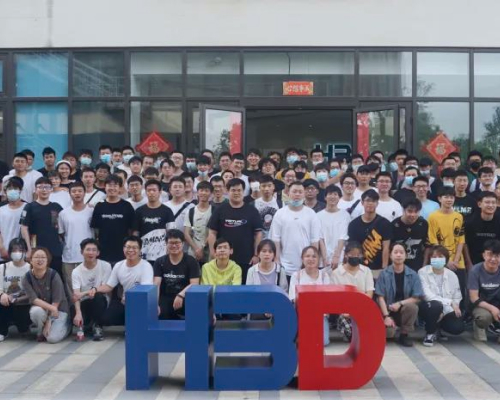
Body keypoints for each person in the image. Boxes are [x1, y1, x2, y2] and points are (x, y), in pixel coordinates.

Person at [208, 178, 263, 282]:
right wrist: (212, 252)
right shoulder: (219, 210)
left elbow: (258, 234)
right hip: (224, 258)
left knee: (244, 288)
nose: (236, 193)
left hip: (247, 259)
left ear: (244, 192)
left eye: (239, 190)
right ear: (227, 191)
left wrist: (256, 255)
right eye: (233, 190)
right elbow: (212, 232)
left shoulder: (252, 210)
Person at [96, 237, 154, 327]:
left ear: (140, 250)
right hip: (124, 303)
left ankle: (133, 324)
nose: (131, 250)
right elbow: (109, 286)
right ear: (123, 249)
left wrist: (131, 298)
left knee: (134, 325)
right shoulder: (118, 265)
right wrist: (94, 289)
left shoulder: (146, 266)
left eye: (134, 247)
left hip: (139, 304)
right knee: (106, 319)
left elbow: (145, 290)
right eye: (128, 247)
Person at [269, 181, 321, 281]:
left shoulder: (311, 214)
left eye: (300, 192)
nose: (297, 194)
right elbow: (276, 239)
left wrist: (313, 261)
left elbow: (314, 240)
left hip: (306, 265)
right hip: (284, 265)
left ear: (304, 194)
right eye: (294, 191)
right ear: (288, 193)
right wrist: (277, 259)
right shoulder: (280, 213)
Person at [375, 243, 423, 347]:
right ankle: (390, 326)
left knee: (412, 307)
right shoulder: (384, 274)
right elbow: (380, 297)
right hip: (387, 310)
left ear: (406, 255)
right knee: (389, 334)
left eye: (401, 252)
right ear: (390, 255)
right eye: (395, 252)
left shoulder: (413, 274)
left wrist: (400, 303)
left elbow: (417, 297)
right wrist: (386, 316)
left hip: (403, 311)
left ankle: (404, 334)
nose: (398, 255)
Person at [22, 247, 71, 343]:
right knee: (35, 311)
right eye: (37, 257)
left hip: (59, 310)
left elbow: (57, 301)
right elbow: (34, 300)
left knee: (52, 339)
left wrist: (49, 320)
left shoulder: (54, 275)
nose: (40, 260)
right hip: (44, 309)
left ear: (47, 261)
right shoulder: (26, 278)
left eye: (43, 257)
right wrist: (51, 309)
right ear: (31, 260)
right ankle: (40, 331)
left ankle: (67, 326)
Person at [418, 245, 464, 347]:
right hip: (428, 307)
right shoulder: (422, 272)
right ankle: (430, 334)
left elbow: (457, 297)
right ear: (430, 258)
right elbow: (427, 296)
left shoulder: (452, 275)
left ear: (446, 259)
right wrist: (449, 302)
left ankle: (438, 329)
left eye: (440, 257)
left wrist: (444, 311)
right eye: (434, 257)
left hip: (446, 310)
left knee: (458, 327)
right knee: (435, 306)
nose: (437, 259)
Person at [428, 187, 466, 303]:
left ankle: (461, 312)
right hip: (440, 261)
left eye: (451, 197)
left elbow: (461, 239)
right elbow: (434, 241)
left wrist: (456, 259)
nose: (449, 200)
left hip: (458, 261)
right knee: (442, 291)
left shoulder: (459, 216)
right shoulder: (433, 217)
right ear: (440, 198)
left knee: (460, 290)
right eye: (446, 197)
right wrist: (447, 261)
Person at [331, 241, 375, 341]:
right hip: (344, 312)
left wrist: (359, 310)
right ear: (346, 255)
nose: (355, 257)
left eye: (358, 255)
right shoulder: (336, 273)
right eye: (352, 254)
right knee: (353, 334)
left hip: (363, 308)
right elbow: (335, 298)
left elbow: (369, 293)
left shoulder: (366, 271)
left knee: (368, 333)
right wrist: (344, 312)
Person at [20, 177, 63, 276]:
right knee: (37, 277)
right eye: (40, 187)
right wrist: (29, 249)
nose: (44, 190)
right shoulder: (29, 207)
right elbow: (24, 228)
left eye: (47, 187)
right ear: (35, 190)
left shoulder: (56, 207)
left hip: (55, 250)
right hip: (36, 249)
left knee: (55, 277)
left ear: (51, 189)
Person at [289, 246, 331, 346]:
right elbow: (293, 298)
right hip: (301, 315)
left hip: (320, 315)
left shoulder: (324, 276)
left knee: (323, 342)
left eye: (314, 256)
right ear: (302, 259)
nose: (311, 259)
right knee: (302, 341)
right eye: (307, 256)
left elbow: (328, 298)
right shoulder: (296, 276)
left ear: (318, 259)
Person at [153, 229, 200, 320]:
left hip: (185, 296)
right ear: (166, 244)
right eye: (171, 243)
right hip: (166, 296)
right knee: (160, 313)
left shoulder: (191, 261)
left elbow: (195, 283)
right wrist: (155, 304)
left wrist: (181, 295)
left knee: (195, 311)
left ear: (183, 243)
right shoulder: (159, 262)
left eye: (177, 242)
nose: (174, 246)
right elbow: (156, 285)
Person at [71, 239, 112, 341]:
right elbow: (76, 295)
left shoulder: (105, 266)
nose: (91, 253)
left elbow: (106, 288)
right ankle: (88, 325)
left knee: (98, 297)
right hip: (85, 301)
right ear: (82, 252)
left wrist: (91, 290)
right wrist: (78, 313)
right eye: (88, 250)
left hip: (101, 301)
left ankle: (98, 326)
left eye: (94, 250)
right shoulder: (76, 271)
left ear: (98, 253)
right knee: (73, 311)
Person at [90, 175, 135, 265]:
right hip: (103, 252)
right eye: (109, 185)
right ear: (105, 187)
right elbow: (96, 230)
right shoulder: (99, 206)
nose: (112, 188)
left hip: (123, 252)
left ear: (120, 188)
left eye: (115, 185)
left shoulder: (127, 206)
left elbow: (131, 229)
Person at [347, 190, 392, 278]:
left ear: (377, 203)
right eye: (368, 200)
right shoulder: (353, 224)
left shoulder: (385, 223)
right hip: (360, 268)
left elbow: (386, 248)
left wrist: (384, 269)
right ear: (362, 202)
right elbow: (352, 248)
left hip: (378, 268)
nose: (370, 203)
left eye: (373, 201)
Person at [58, 181, 94, 289]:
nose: (77, 193)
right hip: (69, 256)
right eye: (74, 191)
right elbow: (61, 234)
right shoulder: (63, 213)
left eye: (79, 191)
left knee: (88, 286)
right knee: (71, 287)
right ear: (69, 194)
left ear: (84, 193)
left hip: (89, 255)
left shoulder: (92, 211)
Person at [133, 180, 175, 264]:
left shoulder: (167, 211)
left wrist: (169, 250)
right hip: (143, 254)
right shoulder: (139, 211)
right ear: (145, 192)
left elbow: (171, 232)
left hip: (162, 254)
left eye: (154, 190)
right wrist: (135, 249)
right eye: (149, 190)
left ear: (160, 192)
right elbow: (135, 233)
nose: (151, 193)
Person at [468, 239, 500, 342]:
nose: (493, 259)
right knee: (483, 317)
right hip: (481, 305)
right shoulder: (475, 271)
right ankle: (479, 326)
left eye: (497, 256)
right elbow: (474, 298)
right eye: (490, 255)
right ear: (484, 255)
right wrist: (493, 309)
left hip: (498, 303)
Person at [0, 238, 31, 342]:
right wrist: (2, 295)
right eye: (14, 250)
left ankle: (24, 327)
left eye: (20, 250)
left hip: (23, 303)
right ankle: (2, 331)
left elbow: (32, 292)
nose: (17, 253)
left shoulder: (30, 268)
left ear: (25, 252)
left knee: (23, 329)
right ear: (9, 252)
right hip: (6, 302)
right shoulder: (3, 267)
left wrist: (16, 299)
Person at [392, 198, 429, 272]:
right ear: (403, 210)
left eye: (416, 212)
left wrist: (424, 266)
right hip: (398, 266)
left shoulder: (423, 224)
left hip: (417, 266)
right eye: (410, 211)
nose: (413, 215)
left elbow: (427, 247)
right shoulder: (394, 225)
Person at [318, 185, 350, 269]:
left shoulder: (345, 215)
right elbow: (320, 238)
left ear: (339, 198)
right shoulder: (318, 216)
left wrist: (337, 256)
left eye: (335, 194)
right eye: (330, 194)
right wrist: (325, 258)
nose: (332, 196)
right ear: (325, 197)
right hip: (323, 259)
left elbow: (343, 237)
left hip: (340, 258)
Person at [465, 192, 500, 267]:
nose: (491, 205)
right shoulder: (470, 222)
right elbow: (465, 244)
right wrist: (469, 263)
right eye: (487, 202)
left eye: (493, 202)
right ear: (479, 204)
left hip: (495, 262)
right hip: (474, 262)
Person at [184, 181, 213, 264]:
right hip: (193, 252)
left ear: (211, 194)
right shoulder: (191, 211)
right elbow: (186, 233)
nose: (203, 193)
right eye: (201, 190)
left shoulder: (214, 211)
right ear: (197, 193)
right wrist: (196, 249)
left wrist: (202, 248)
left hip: (209, 252)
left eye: (206, 191)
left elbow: (213, 233)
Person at [0, 177, 27, 261]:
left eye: (15, 188)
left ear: (20, 190)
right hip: (3, 253)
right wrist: (2, 249)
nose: (12, 191)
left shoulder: (27, 208)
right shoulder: (1, 209)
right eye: (10, 188)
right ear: (5, 191)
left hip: (22, 254)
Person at [252, 175, 282, 239]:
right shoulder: (253, 204)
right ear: (259, 187)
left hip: (275, 240)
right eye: (263, 186)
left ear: (273, 187)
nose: (266, 189)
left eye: (269, 186)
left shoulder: (281, 204)